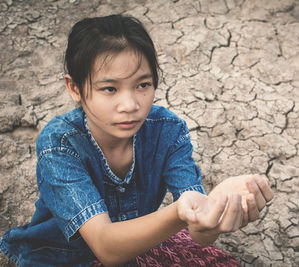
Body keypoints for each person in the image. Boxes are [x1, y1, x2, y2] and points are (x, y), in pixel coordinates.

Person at [0, 14, 273, 267]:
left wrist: (214, 212)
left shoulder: (168, 131)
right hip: (62, 258)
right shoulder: (59, 144)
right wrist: (180, 212)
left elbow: (199, 231)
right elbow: (105, 246)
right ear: (74, 88)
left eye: (143, 85)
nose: (130, 105)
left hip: (139, 244)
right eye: (110, 89)